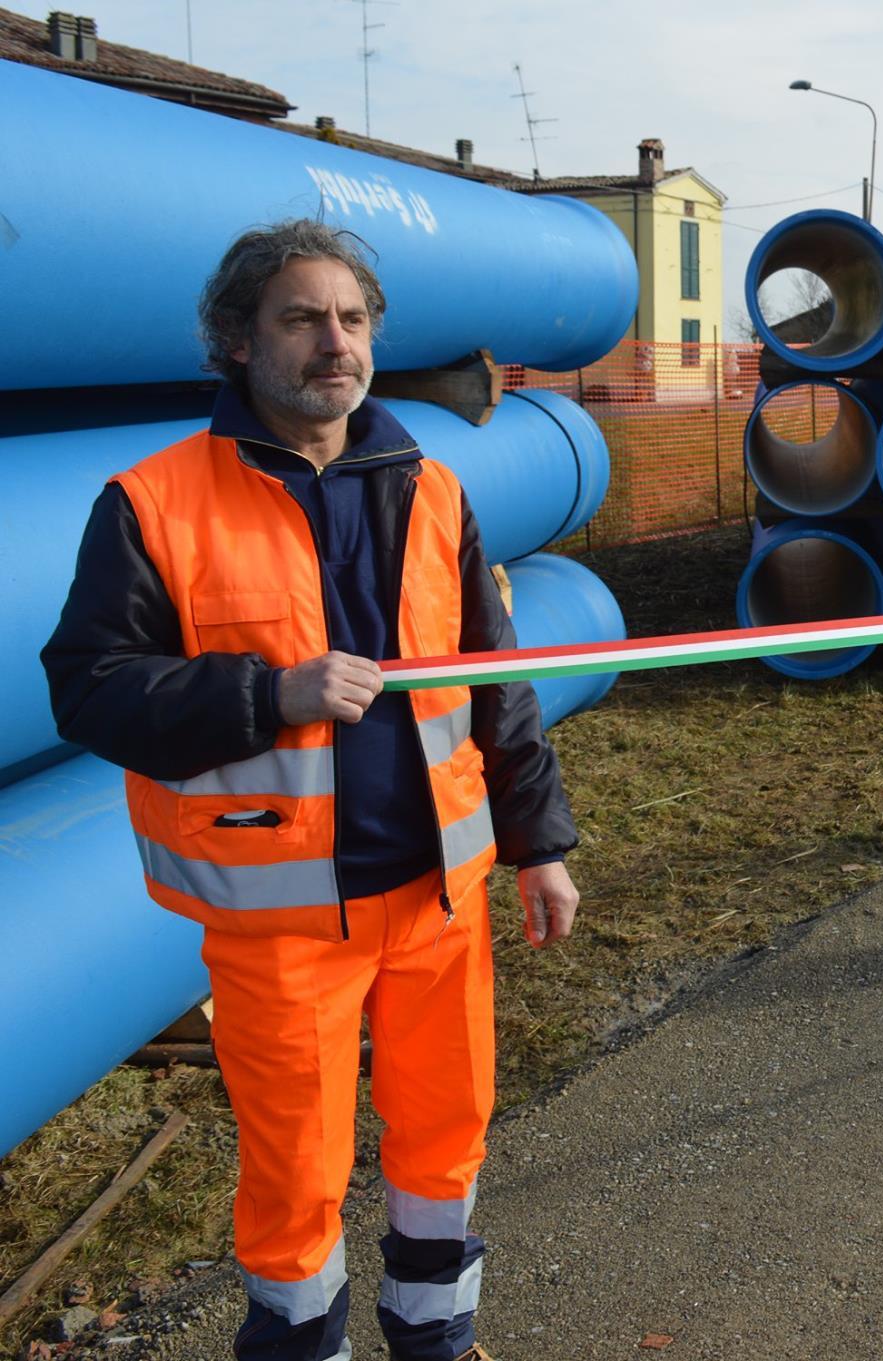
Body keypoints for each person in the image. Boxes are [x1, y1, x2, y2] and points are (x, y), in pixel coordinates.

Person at [42, 219, 581, 1361]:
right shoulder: (151, 503)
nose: (333, 340)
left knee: (445, 1140)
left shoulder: (432, 489)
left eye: (351, 318)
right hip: (279, 919)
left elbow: (498, 683)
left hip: (439, 900)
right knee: (297, 1175)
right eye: (300, 317)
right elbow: (89, 691)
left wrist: (539, 842)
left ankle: (435, 1338)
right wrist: (267, 691)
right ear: (238, 342)